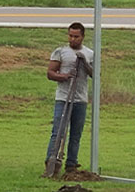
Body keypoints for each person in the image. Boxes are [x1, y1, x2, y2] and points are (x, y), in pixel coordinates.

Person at [44, 22, 97, 176]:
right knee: (58, 131)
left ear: (82, 37)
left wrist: (85, 64)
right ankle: (51, 163)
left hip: (80, 99)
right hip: (63, 98)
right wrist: (64, 76)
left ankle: (71, 165)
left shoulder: (89, 53)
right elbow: (50, 73)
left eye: (76, 36)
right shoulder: (60, 52)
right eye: (70, 36)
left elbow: (96, 74)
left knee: (76, 133)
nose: (73, 39)